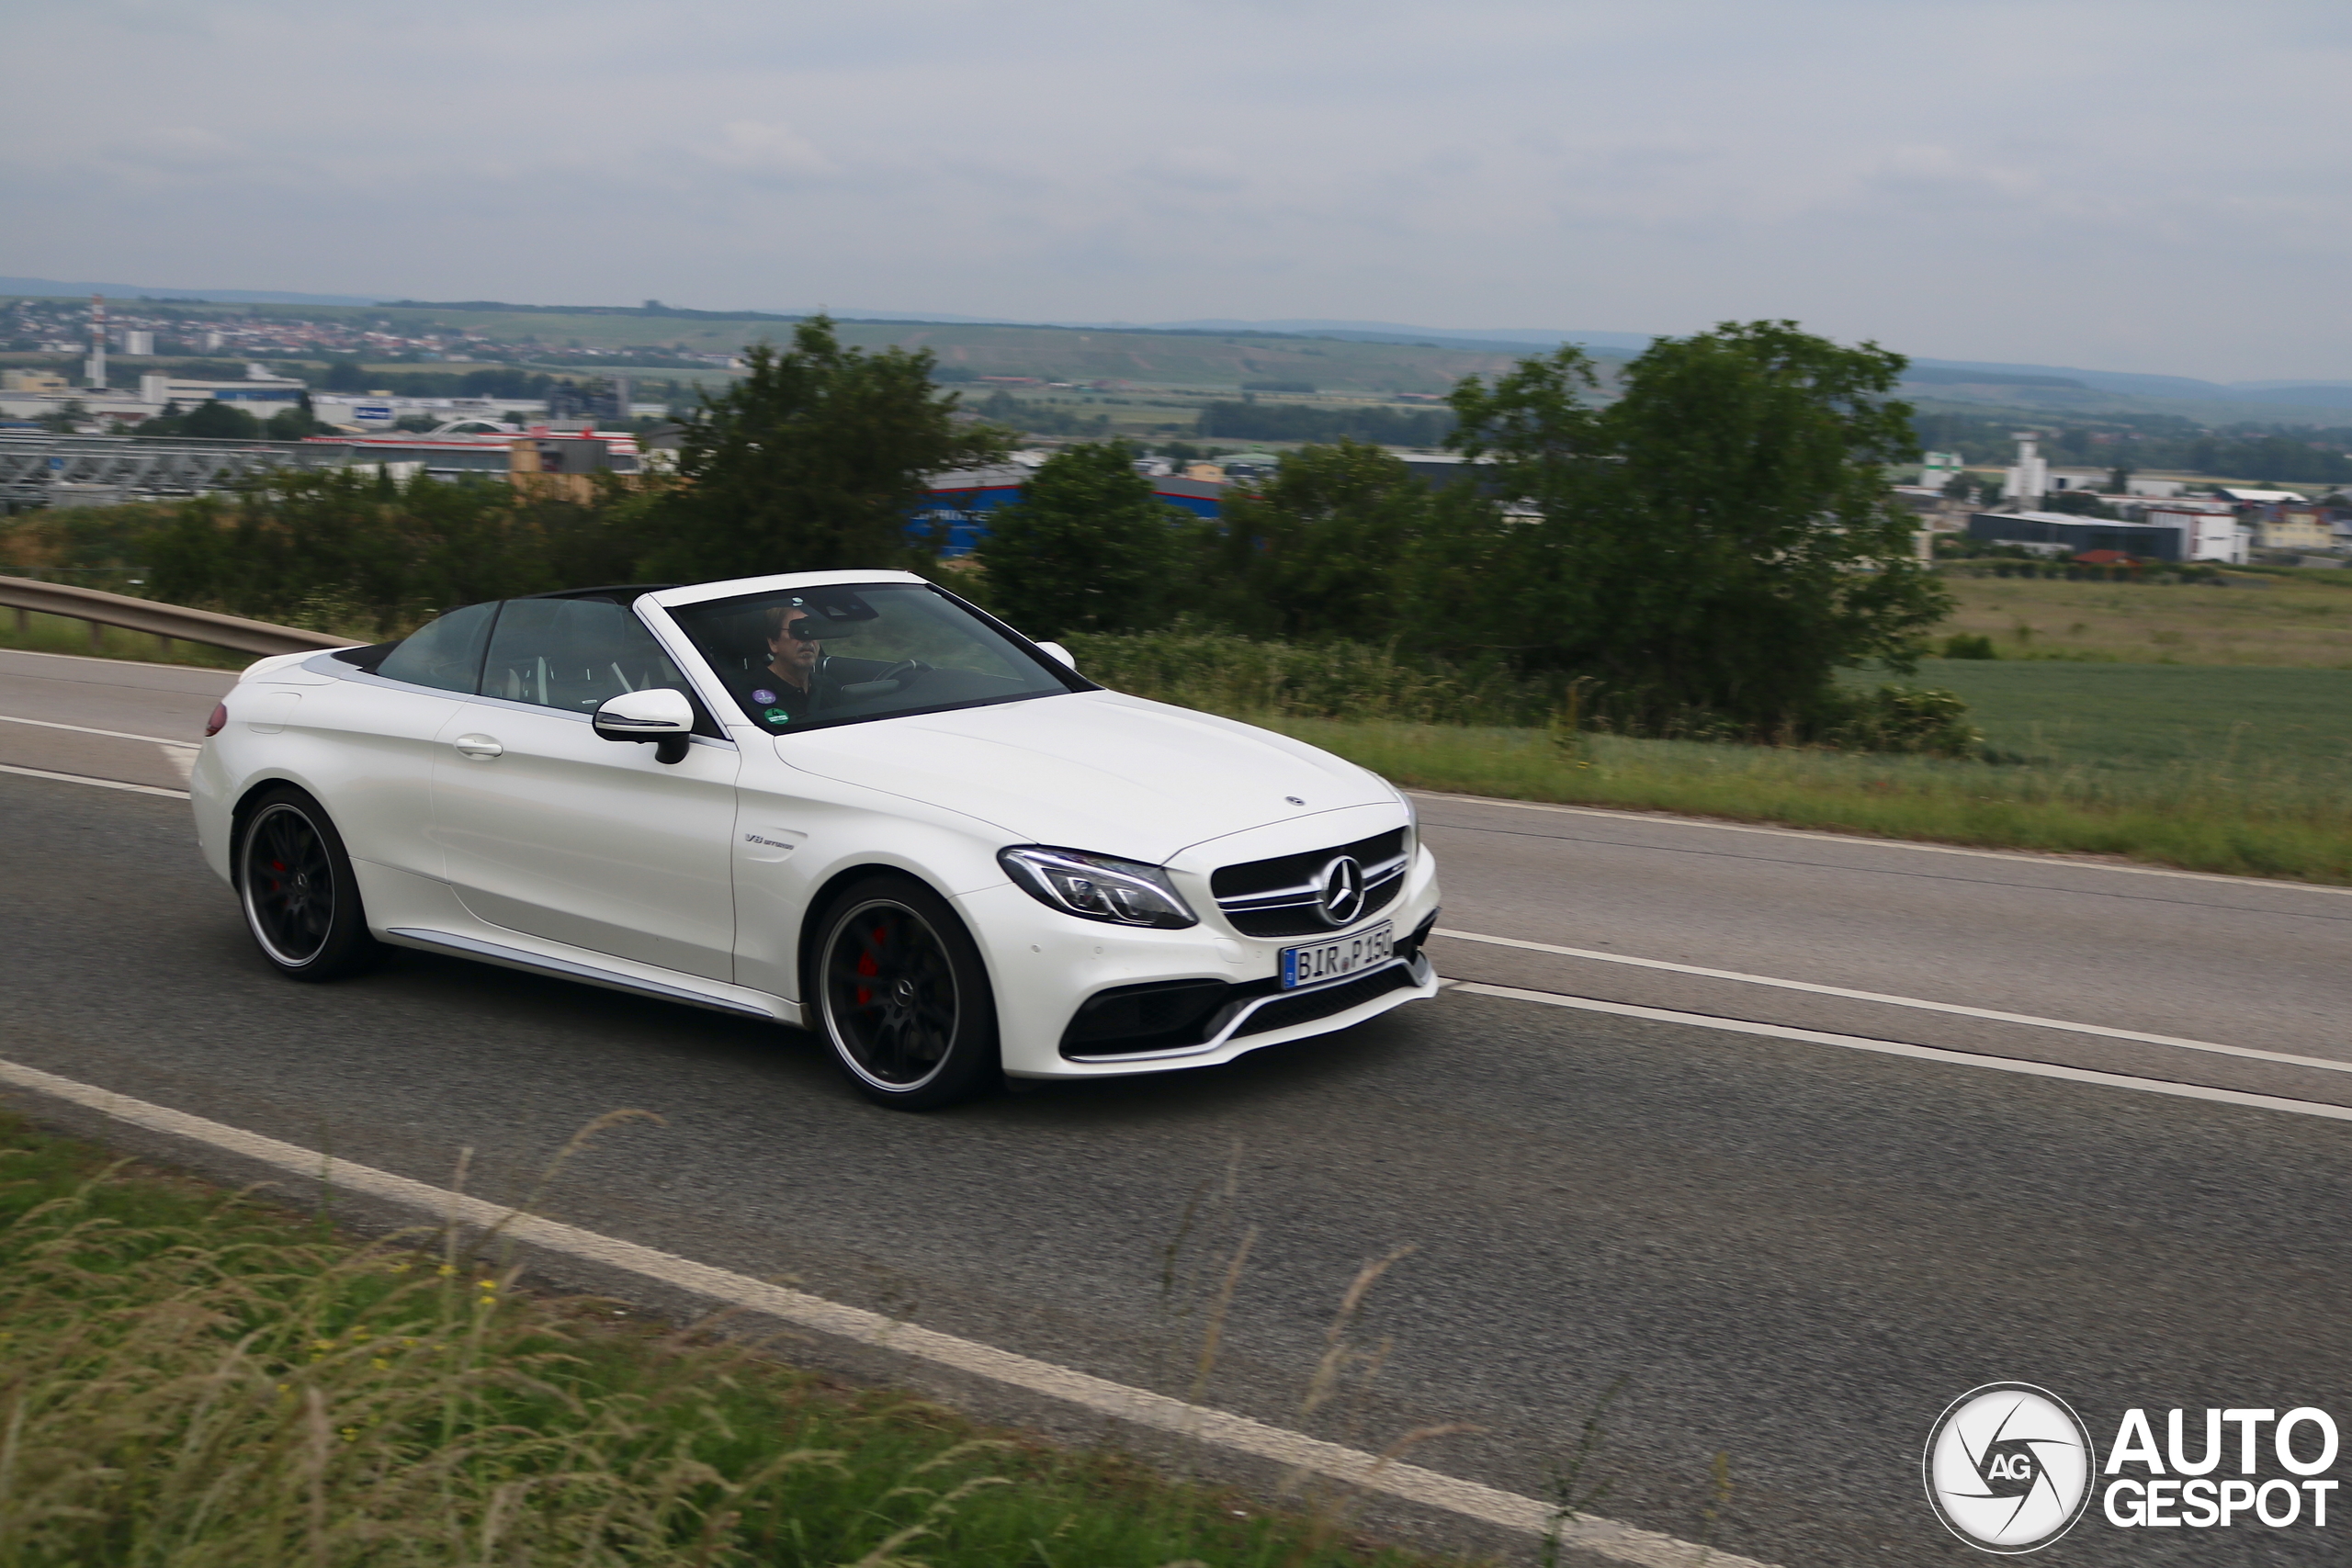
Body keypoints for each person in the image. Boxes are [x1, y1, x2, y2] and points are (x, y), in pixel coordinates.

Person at [728, 601, 831, 729]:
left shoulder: (828, 686)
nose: (808, 638)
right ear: (773, 642)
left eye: (813, 630)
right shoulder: (746, 694)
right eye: (797, 631)